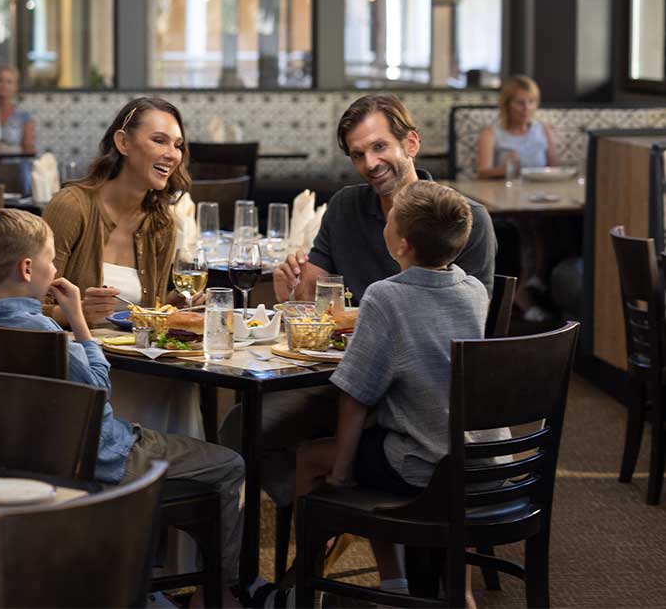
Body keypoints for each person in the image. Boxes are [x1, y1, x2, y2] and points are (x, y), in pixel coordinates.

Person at [219, 94, 497, 528]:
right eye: (357, 154)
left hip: (421, 394)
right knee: (244, 424)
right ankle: (329, 514)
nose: (370, 163)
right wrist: (291, 293)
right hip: (340, 376)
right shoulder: (346, 206)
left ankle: (335, 514)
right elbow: (310, 303)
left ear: (411, 143)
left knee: (322, 441)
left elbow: (473, 336)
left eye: (379, 147)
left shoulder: (460, 220)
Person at [0, 208, 245, 608]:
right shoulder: (42, 333)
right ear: (27, 268)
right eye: (51, 260)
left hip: (27, 457)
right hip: (103, 458)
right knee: (230, 464)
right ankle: (217, 593)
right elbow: (98, 390)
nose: (55, 268)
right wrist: (78, 320)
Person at [290, 180, 505, 609]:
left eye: (389, 221)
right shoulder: (474, 291)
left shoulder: (385, 297)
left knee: (310, 458)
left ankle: (310, 587)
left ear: (401, 244)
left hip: (426, 468)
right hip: (485, 463)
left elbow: (356, 396)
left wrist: (340, 473)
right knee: (381, 441)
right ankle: (444, 591)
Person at [41, 97, 204, 437]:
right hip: (80, 371)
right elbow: (25, 307)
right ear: (123, 143)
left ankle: (169, 464)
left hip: (141, 363)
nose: (172, 154)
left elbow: (145, 311)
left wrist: (175, 305)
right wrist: (72, 313)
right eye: (159, 140)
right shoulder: (71, 207)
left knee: (181, 383)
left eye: (177, 145)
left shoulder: (161, 223)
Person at [476, 75, 561, 322]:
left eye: (531, 102)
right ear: (507, 105)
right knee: (529, 226)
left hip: (541, 199)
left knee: (557, 224)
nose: (526, 109)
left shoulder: (543, 130)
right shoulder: (492, 133)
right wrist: (505, 168)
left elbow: (554, 167)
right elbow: (482, 171)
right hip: (506, 201)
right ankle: (526, 287)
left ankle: (539, 279)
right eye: (520, 103)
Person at [0, 65, 36, 155]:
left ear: (16, 87)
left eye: (9, 82)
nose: (4, 85)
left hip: (15, 162)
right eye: (0, 80)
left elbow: (28, 147)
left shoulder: (23, 115)